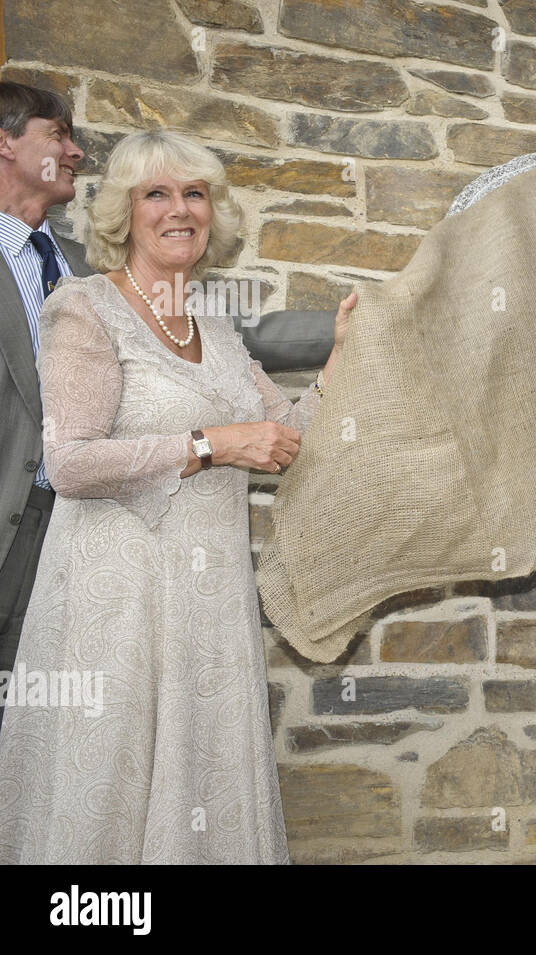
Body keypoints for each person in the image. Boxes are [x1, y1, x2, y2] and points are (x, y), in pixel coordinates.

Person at [0, 129, 356, 863]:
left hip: (208, 610)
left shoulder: (217, 328)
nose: (180, 209)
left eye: (194, 193)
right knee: (109, 795)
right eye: (155, 193)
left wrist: (339, 363)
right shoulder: (83, 308)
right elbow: (70, 461)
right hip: (117, 606)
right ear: (123, 214)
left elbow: (287, 434)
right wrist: (210, 444)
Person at [0, 82, 89, 717]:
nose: (77, 150)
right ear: (4, 142)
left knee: (48, 731)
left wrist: (353, 324)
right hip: (10, 518)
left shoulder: (90, 272)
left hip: (79, 534)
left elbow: (212, 329)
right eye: (57, 134)